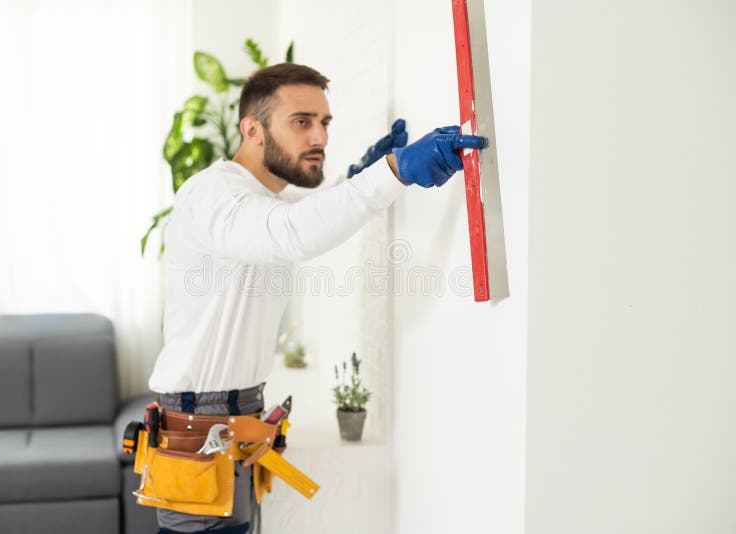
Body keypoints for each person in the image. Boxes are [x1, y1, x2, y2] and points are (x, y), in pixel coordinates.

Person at [146, 63, 487, 534]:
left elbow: (294, 217)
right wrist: (390, 173)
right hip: (199, 434)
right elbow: (289, 233)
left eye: (325, 123)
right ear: (252, 130)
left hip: (232, 429)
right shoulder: (213, 195)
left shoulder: (257, 201)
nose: (319, 137)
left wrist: (355, 177)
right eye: (301, 121)